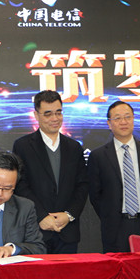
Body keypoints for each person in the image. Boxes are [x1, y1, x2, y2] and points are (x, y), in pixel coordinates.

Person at [12, 90, 89, 254]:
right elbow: (21, 186)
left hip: (67, 231)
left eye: (58, 112)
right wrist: (41, 216)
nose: (55, 118)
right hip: (35, 231)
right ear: (36, 115)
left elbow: (82, 186)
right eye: (48, 114)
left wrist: (68, 215)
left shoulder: (74, 147)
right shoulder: (23, 146)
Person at [87, 101, 140, 253]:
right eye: (117, 118)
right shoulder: (98, 156)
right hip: (115, 226)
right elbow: (95, 195)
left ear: (133, 119)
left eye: (128, 117)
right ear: (109, 124)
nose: (123, 122)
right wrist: (109, 216)